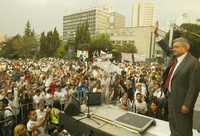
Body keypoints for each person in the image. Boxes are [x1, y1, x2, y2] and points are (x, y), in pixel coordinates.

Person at [155, 26, 200, 136]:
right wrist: (157, 36)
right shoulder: (175, 58)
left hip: (182, 101)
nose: (173, 49)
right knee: (173, 124)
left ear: (185, 48)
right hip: (171, 97)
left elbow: (194, 87)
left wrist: (187, 104)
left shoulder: (193, 63)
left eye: (176, 47)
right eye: (173, 47)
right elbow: (167, 49)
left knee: (183, 127)